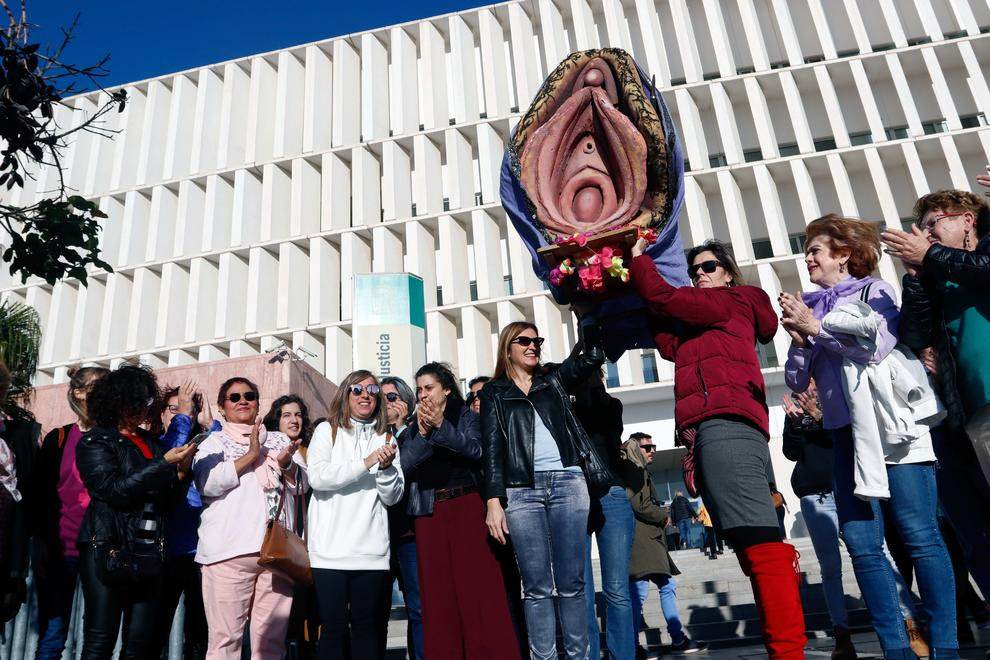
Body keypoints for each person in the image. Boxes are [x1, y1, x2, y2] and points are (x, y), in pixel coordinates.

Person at [782, 214, 957, 659]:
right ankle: (894, 649)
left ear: (843, 255)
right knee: (861, 546)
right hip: (845, 435)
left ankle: (947, 647)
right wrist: (802, 344)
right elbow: (798, 380)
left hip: (893, 433)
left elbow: (876, 348)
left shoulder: (874, 291)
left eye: (816, 250)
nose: (808, 259)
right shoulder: (810, 305)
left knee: (920, 536)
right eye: (807, 252)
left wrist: (816, 329)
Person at [629, 236, 806, 658]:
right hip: (714, 430)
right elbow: (669, 344)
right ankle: (785, 635)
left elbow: (665, 297)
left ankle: (788, 652)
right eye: (694, 271)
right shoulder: (700, 322)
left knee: (760, 546)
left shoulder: (738, 299)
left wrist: (638, 261)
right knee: (751, 546)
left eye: (708, 267)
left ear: (728, 271)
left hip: (726, 426)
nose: (700, 275)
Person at [881, 187, 990, 600]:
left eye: (934, 223)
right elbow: (913, 333)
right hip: (970, 409)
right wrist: (915, 276)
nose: (926, 234)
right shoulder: (934, 272)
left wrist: (929, 255)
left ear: (968, 219)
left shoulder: (984, 250)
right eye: (922, 228)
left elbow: (983, 267)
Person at [481, 319, 609, 660]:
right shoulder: (494, 392)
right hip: (522, 491)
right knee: (536, 587)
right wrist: (494, 501)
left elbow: (593, 356)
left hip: (568, 483)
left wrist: (589, 313)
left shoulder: (552, 380)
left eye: (537, 340)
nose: (532, 345)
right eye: (524, 340)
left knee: (572, 584)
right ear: (508, 348)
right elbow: (492, 449)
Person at [75, 364, 197, 659]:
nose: (145, 408)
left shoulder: (152, 443)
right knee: (100, 639)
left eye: (147, 400)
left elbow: (165, 500)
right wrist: (164, 465)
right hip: (107, 546)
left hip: (150, 550)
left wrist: (180, 475)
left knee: (139, 643)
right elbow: (112, 490)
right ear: (117, 401)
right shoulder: (96, 440)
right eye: (137, 400)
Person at [400, 362, 520, 659]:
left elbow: (476, 451)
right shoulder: (415, 426)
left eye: (429, 388)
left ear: (447, 389)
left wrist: (442, 426)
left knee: (478, 591)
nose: (423, 396)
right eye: (419, 391)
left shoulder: (467, 416)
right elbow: (403, 465)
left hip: (467, 507)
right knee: (438, 597)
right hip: (428, 513)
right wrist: (425, 433)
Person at [193, 377, 307, 660]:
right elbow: (208, 483)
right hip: (227, 554)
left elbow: (304, 486)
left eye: (249, 395)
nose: (242, 401)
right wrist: (252, 455)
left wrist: (286, 464)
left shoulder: (280, 439)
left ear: (258, 402)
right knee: (225, 642)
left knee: (270, 645)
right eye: (234, 397)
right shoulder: (212, 443)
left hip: (277, 555)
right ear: (222, 407)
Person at [307, 370, 403, 660]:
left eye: (373, 391)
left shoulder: (386, 437)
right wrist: (367, 462)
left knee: (367, 630)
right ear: (345, 395)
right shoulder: (327, 431)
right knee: (333, 630)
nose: (366, 395)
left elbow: (393, 495)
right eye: (357, 389)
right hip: (329, 553)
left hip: (371, 553)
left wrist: (385, 469)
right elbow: (319, 478)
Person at [33, 365, 108, 660]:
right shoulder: (59, 438)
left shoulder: (118, 437)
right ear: (78, 392)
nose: (104, 393)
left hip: (102, 548)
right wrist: (39, 542)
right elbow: (41, 496)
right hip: (61, 548)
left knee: (98, 634)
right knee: (53, 632)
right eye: (96, 386)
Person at [781, 380, 857, 660]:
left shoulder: (834, 400)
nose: (807, 391)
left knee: (872, 555)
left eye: (811, 384)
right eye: (802, 389)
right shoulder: (796, 415)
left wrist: (817, 415)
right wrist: (796, 423)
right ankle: (841, 633)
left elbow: (840, 440)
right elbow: (790, 452)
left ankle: (905, 621)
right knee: (830, 567)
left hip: (847, 489)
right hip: (815, 496)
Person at [623, 434, 706, 658]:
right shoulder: (634, 469)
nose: (652, 450)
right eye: (647, 446)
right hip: (642, 541)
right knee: (639, 591)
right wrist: (663, 515)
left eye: (654, 446)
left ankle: (675, 639)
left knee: (664, 585)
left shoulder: (639, 470)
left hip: (650, 540)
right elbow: (638, 504)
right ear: (634, 448)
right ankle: (633, 646)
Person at [571, 369, 634, 660]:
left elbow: (604, 428)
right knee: (581, 592)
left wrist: (592, 387)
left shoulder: (611, 405)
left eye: (595, 372)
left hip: (611, 492)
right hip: (575, 496)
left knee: (617, 589)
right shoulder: (567, 407)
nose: (592, 376)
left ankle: (622, 655)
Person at [154, 382, 210, 660]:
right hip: (162, 552)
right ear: (162, 413)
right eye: (173, 409)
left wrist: (210, 424)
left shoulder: (204, 445)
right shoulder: (155, 444)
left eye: (186, 408)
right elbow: (171, 461)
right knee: (155, 630)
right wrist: (184, 418)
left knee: (199, 632)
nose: (180, 414)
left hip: (199, 552)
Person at [263, 394, 317, 660]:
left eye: (297, 414)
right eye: (286, 415)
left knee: (295, 615)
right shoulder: (264, 445)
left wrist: (291, 463)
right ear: (276, 419)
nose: (294, 420)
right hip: (264, 538)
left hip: (294, 543)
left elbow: (304, 485)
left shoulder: (306, 449)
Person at [381, 376, 423, 660]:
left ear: (407, 403)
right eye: (381, 398)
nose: (386, 403)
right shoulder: (369, 437)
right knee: (374, 610)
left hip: (409, 534)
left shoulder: (418, 433)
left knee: (417, 606)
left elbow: (407, 468)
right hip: (377, 536)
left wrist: (398, 429)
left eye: (392, 397)